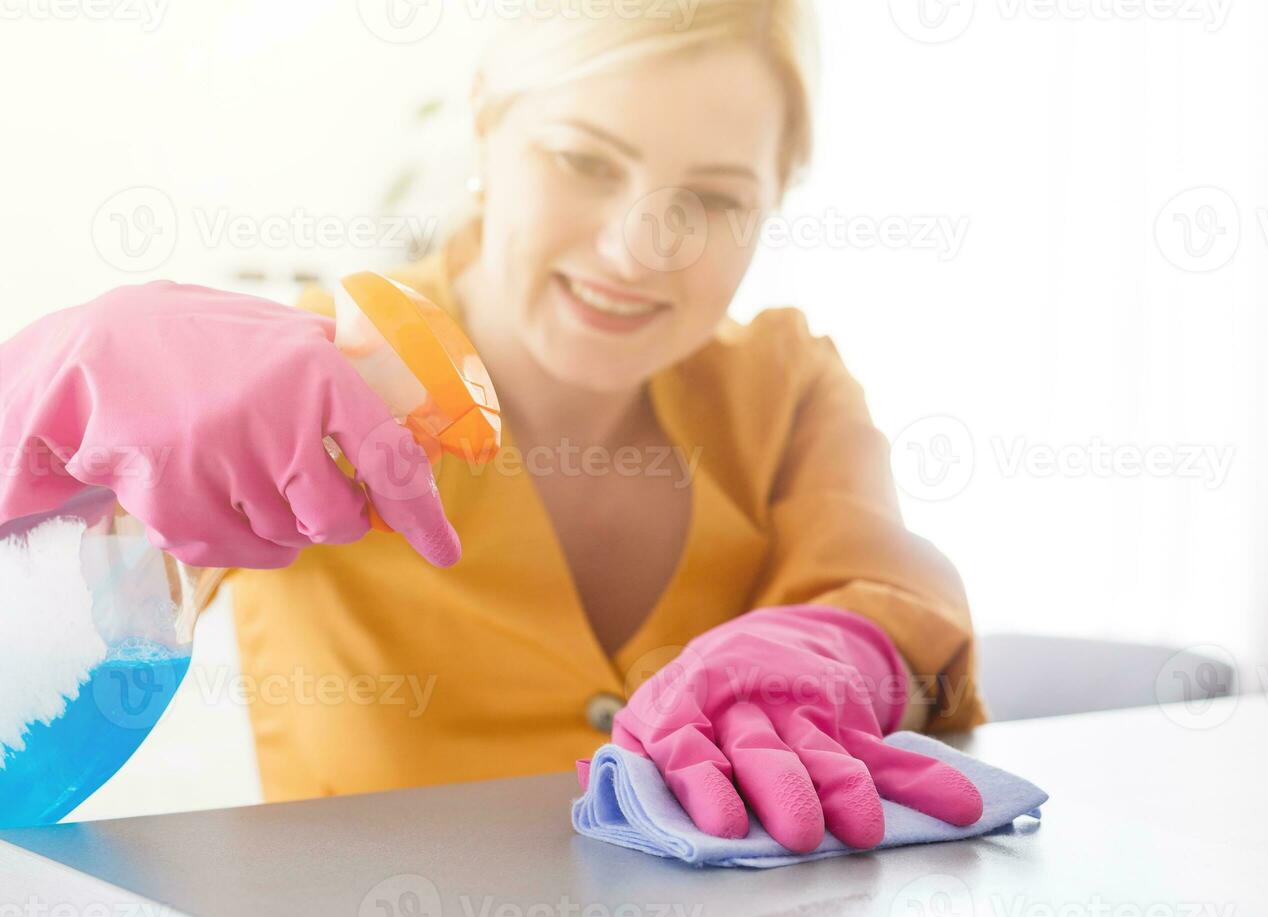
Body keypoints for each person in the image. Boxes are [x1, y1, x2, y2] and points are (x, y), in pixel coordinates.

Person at [0, 0, 986, 853]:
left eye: (715, 197)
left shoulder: (786, 386)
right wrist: (52, 396)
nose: (637, 246)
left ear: (777, 197)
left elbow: (887, 586)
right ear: (486, 126)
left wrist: (840, 651)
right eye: (584, 160)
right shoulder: (309, 383)